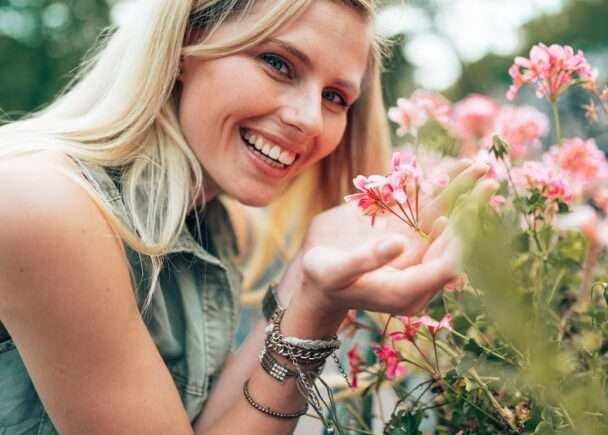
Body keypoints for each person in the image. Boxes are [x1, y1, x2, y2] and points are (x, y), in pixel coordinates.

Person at [0, 0, 496, 433]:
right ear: (183, 45)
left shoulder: (216, 225)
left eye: (334, 98)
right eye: (278, 63)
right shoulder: (43, 203)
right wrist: (314, 311)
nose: (307, 118)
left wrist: (307, 281)